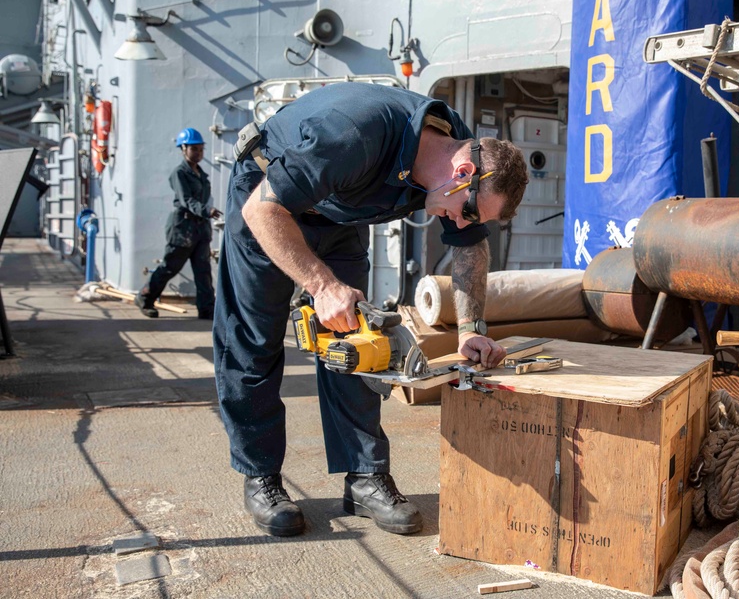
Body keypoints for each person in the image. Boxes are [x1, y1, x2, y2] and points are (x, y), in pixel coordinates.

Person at [214, 82, 528, 537]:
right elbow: (263, 211)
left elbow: (470, 247)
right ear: (462, 172)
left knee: (361, 342)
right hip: (267, 201)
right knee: (253, 339)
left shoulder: (455, 146)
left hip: (340, 212)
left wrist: (470, 329)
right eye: (469, 211)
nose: (461, 222)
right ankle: (261, 475)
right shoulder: (352, 135)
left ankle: (364, 476)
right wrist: (321, 285)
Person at [135, 128, 221, 320]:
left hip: (200, 229)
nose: (198, 153)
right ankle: (145, 297)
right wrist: (207, 211)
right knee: (169, 267)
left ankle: (207, 309)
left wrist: (206, 217)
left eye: (200, 149)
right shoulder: (179, 174)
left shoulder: (201, 175)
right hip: (183, 229)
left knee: (203, 271)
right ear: (183, 149)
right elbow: (186, 200)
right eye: (194, 149)